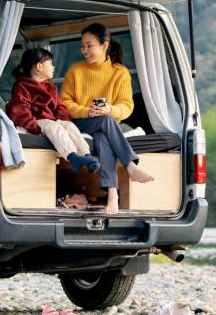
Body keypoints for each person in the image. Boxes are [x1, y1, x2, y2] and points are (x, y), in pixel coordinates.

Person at [61, 23, 154, 214]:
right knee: (106, 122)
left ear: (104, 46)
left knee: (104, 137)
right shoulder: (75, 70)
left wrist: (109, 109)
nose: (84, 50)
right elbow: (64, 103)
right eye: (82, 46)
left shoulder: (120, 73)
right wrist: (87, 111)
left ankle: (112, 195)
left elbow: (127, 107)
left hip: (107, 125)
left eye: (89, 45)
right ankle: (130, 165)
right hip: (80, 123)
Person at [6, 48, 100, 174]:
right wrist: (34, 127)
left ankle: (86, 155)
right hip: (36, 122)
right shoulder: (22, 86)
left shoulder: (51, 87)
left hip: (51, 121)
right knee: (53, 126)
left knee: (69, 126)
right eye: (51, 63)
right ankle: (72, 156)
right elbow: (19, 110)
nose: (54, 67)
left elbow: (60, 107)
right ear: (40, 66)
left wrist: (62, 119)